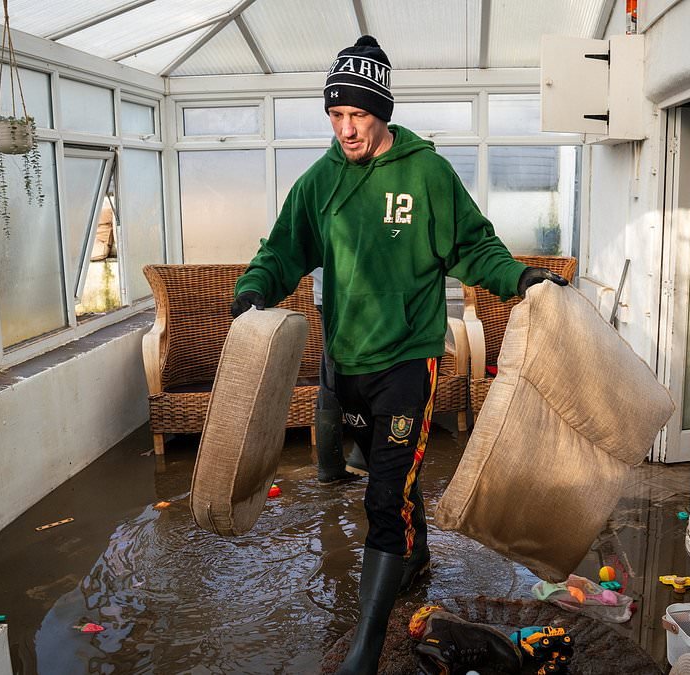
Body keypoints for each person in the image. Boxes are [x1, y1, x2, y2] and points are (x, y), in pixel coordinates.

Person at [230, 35, 567, 674]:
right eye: (336, 116)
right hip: (346, 365)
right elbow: (282, 249)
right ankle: (413, 555)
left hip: (409, 362)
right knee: (393, 480)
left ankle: (364, 647)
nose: (346, 129)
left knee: (382, 499)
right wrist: (253, 289)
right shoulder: (321, 183)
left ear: (382, 111)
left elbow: (474, 247)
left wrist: (520, 280)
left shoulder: (426, 173)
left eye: (357, 115)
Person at [312, 266, 369, 483]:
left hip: (326, 293)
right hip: (360, 294)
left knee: (331, 375)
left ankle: (330, 466)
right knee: (369, 370)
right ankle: (362, 455)